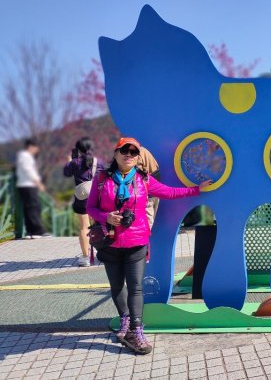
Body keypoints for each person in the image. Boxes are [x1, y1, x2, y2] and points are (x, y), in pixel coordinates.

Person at [87, 137, 210, 355]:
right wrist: (107, 217)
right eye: (124, 150)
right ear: (115, 154)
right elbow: (91, 208)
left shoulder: (143, 180)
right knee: (117, 286)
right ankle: (124, 319)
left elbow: (170, 192)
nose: (129, 155)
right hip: (109, 242)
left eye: (133, 152)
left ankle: (136, 330)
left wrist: (196, 190)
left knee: (136, 287)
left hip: (137, 242)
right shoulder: (101, 179)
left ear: (138, 157)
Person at [63, 137, 105, 267]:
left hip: (81, 198)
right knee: (101, 225)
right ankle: (104, 253)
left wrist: (69, 160)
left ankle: (86, 257)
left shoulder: (75, 163)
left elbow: (67, 173)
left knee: (83, 227)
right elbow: (105, 176)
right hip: (97, 197)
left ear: (79, 149)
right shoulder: (99, 162)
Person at [15, 138, 51, 238]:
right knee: (33, 207)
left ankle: (32, 231)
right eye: (36, 148)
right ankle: (36, 231)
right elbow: (28, 170)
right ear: (31, 146)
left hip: (28, 184)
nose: (36, 150)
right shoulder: (24, 155)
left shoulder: (25, 156)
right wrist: (38, 182)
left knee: (32, 207)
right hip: (27, 184)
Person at [137, 147, 160, 229]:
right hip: (155, 191)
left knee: (147, 225)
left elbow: (136, 174)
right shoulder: (144, 150)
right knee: (152, 223)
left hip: (146, 194)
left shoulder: (135, 153)